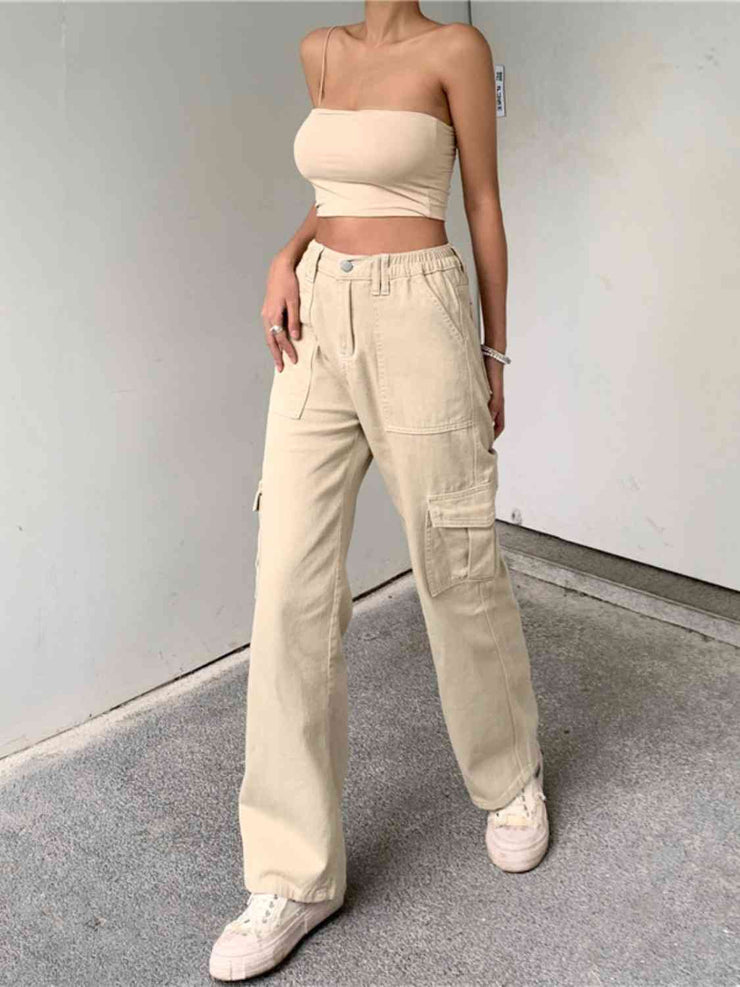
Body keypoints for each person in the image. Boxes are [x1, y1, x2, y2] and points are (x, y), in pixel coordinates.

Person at [210, 4, 548, 981]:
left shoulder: (455, 48)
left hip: (419, 310)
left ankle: (509, 776)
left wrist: (493, 353)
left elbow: (479, 200)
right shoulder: (319, 51)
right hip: (316, 318)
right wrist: (287, 252)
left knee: (455, 560)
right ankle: (294, 875)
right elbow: (337, 190)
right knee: (287, 585)